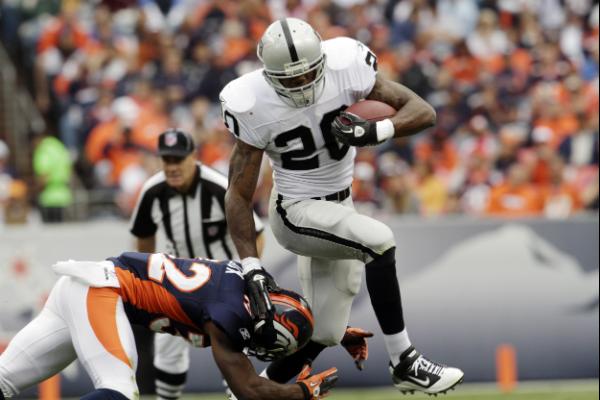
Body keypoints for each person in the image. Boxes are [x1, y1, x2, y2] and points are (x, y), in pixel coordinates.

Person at [220, 18, 464, 395]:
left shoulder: (346, 65)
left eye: (307, 75)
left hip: (339, 205)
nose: (301, 85)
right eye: (290, 79)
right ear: (268, 76)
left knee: (324, 333)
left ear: (322, 61)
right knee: (379, 241)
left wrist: (377, 130)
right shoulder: (252, 103)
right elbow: (238, 192)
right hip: (296, 210)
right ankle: (404, 360)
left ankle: (246, 392)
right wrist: (251, 265)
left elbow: (423, 111)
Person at [0, 251, 338, 400]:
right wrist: (303, 392)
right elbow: (248, 390)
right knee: (118, 389)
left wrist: (326, 338)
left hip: (82, 285)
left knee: (5, 379)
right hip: (102, 290)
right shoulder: (230, 316)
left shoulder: (241, 289)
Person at [129, 128, 265, 399]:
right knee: (167, 353)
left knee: (233, 351)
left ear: (194, 156)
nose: (172, 167)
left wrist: (246, 274)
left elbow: (256, 234)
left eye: (178, 159)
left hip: (222, 285)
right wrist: (150, 277)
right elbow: (143, 238)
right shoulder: (152, 191)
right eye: (167, 160)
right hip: (177, 280)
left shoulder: (217, 186)